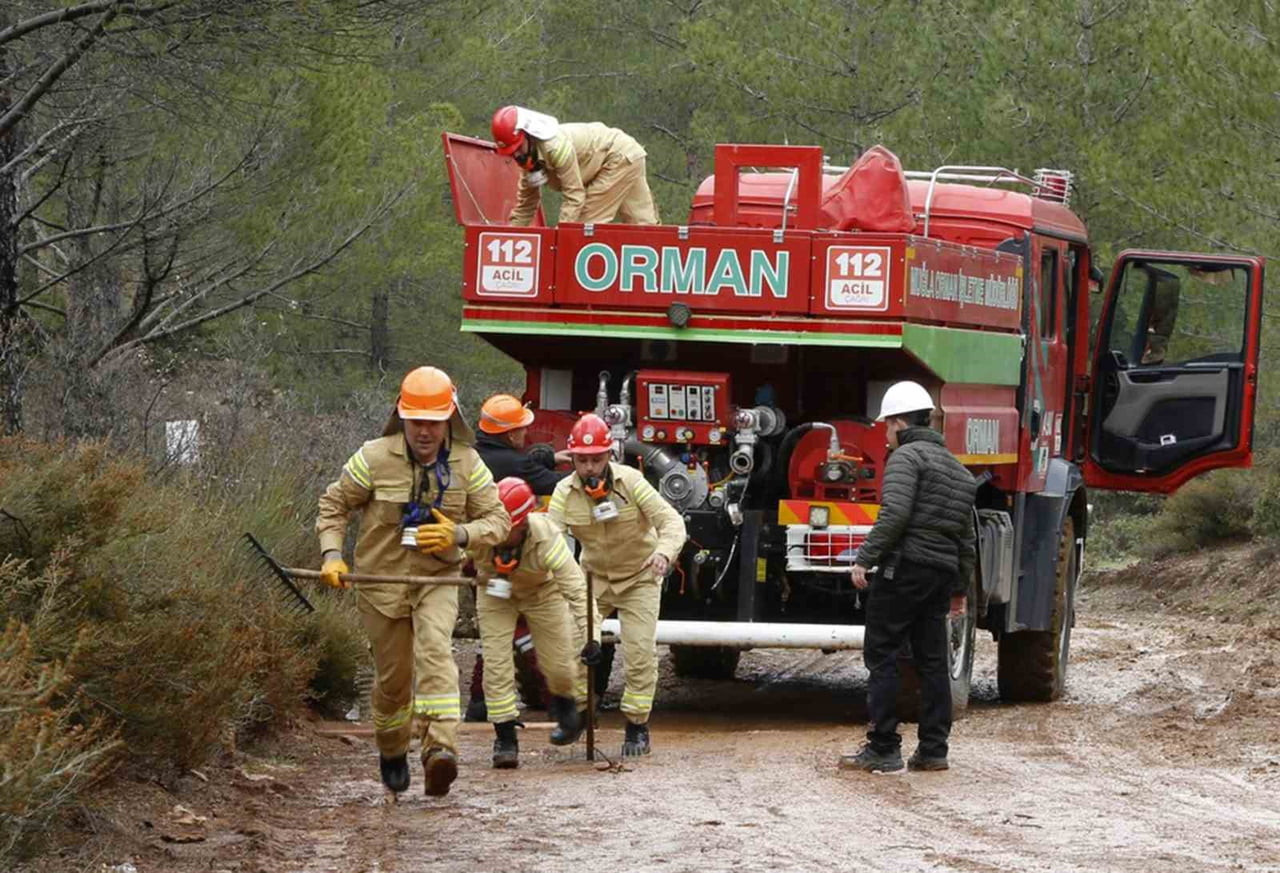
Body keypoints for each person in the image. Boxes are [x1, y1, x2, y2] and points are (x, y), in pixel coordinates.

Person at [316, 366, 510, 797]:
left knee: (436, 652)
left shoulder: (468, 464)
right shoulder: (372, 458)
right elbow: (333, 507)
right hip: (379, 585)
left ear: (449, 421)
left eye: (433, 422)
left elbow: (498, 520)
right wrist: (332, 555)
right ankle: (392, 749)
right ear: (401, 418)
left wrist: (460, 534)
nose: (424, 431)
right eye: (416, 421)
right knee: (393, 681)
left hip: (437, 578)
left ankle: (440, 751)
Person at [840, 380, 977, 774]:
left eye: (886, 425)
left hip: (905, 570)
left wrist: (864, 559)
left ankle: (883, 747)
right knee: (932, 661)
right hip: (939, 574)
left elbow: (895, 515)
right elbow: (966, 538)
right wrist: (958, 589)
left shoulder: (906, 458)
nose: (885, 434)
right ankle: (934, 749)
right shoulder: (956, 468)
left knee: (882, 654)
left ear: (899, 422)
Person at [547, 413, 686, 757]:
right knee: (575, 647)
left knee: (639, 653)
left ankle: (636, 725)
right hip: (592, 579)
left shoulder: (632, 482)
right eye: (583, 460)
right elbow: (550, 539)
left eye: (597, 459)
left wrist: (664, 555)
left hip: (640, 577)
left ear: (609, 455)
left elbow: (671, 522)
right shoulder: (564, 492)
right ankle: (580, 714)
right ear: (573, 459)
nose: (591, 467)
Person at [470, 477, 601, 768]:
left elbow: (577, 589)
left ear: (524, 523)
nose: (501, 535)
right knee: (496, 662)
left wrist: (593, 636)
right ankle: (505, 736)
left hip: (543, 592)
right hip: (495, 592)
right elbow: (448, 556)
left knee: (558, 663)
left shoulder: (547, 537)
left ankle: (570, 711)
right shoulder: (480, 533)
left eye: (509, 529)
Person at [465, 393, 573, 721]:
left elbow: (525, 464)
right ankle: (548, 697)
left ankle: (481, 702)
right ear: (511, 434)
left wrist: (549, 458)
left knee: (496, 627)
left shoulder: (471, 458)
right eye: (522, 430)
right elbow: (551, 485)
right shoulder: (516, 465)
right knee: (524, 627)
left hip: (476, 558)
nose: (526, 434)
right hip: (508, 561)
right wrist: (585, 472)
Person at [491, 105, 660, 227]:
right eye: (510, 152)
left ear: (527, 135)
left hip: (618, 157)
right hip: (628, 155)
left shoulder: (555, 148)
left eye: (518, 148)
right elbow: (526, 205)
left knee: (584, 227)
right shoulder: (528, 160)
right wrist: (510, 237)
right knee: (644, 226)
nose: (516, 156)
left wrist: (560, 236)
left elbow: (574, 196)